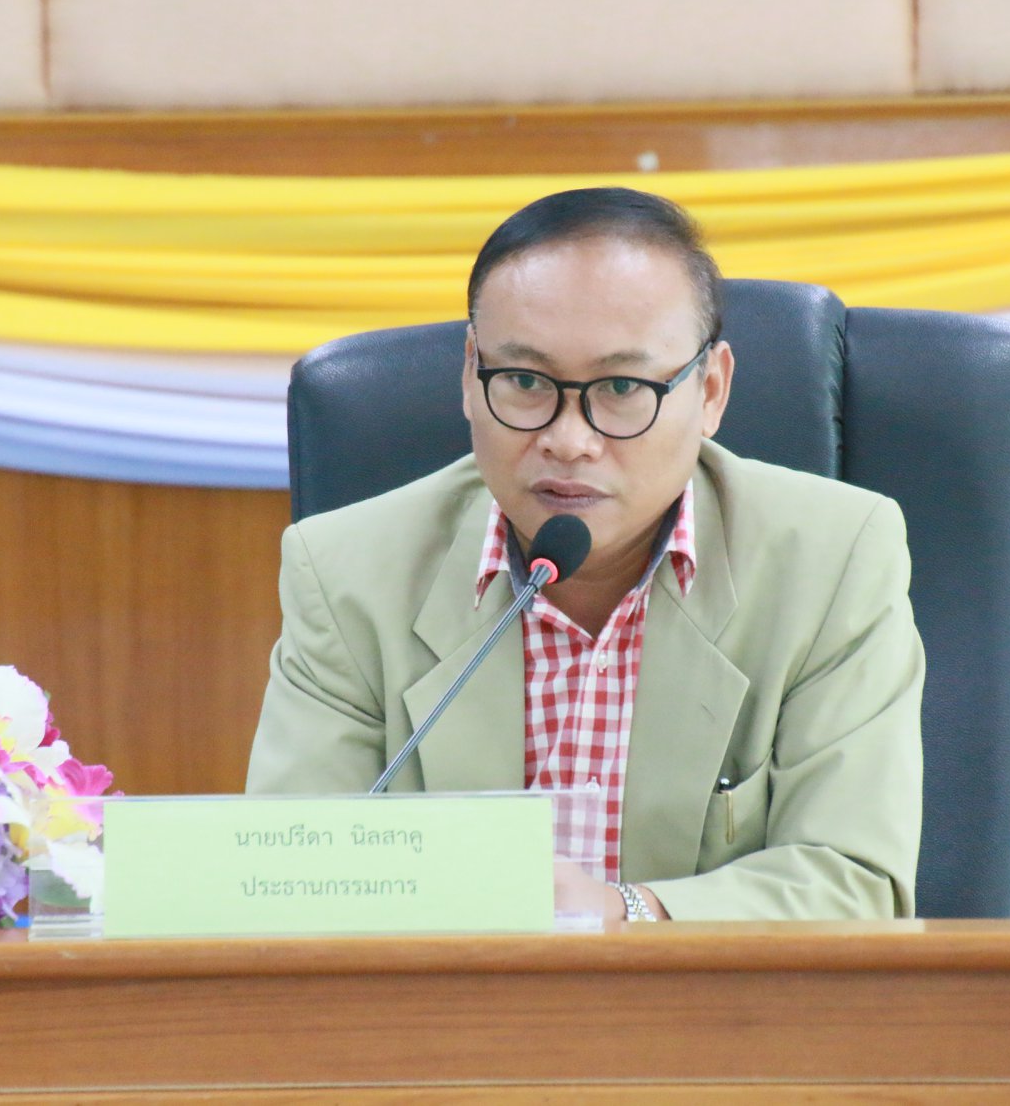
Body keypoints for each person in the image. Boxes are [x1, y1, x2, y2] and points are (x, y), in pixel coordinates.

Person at [246, 187, 923, 924]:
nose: (568, 440)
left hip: (715, 999)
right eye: (525, 382)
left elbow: (854, 883)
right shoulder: (344, 571)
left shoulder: (834, 557)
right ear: (470, 375)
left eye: (624, 387)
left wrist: (627, 914)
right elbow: (292, 883)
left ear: (711, 390)